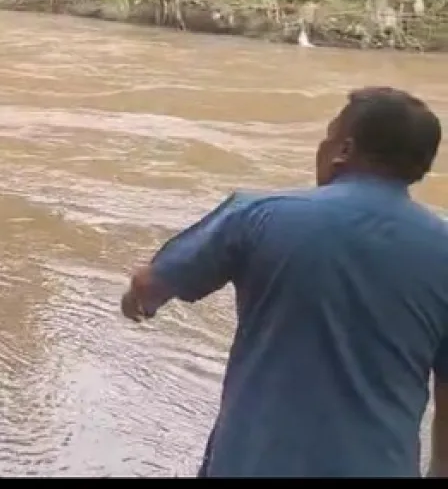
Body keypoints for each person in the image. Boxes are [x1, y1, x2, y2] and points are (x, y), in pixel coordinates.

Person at [119, 87, 448, 478]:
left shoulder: (259, 216)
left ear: (343, 149)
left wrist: (137, 304)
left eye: (327, 137)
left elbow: (149, 286)